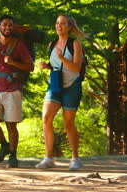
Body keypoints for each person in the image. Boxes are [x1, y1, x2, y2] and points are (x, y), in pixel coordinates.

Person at [35, 15, 88, 171]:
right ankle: (48, 158)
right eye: (57, 23)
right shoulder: (52, 44)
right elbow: (56, 65)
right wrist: (48, 66)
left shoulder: (75, 44)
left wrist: (61, 57)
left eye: (63, 24)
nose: (59, 26)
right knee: (46, 118)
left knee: (68, 123)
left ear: (70, 27)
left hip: (72, 86)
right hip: (56, 85)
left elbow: (76, 68)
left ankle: (75, 158)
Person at [0, 15, 34, 168]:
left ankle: (13, 155)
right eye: (4, 25)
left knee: (11, 125)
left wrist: (13, 62)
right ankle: (4, 145)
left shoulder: (18, 45)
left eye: (10, 25)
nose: (7, 27)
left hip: (13, 89)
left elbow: (30, 67)